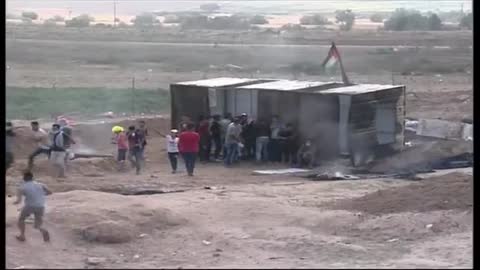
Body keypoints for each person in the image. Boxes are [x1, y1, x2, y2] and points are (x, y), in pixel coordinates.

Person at [13, 171, 51, 242]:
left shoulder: (22, 187)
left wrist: (13, 203)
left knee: (21, 219)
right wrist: (40, 196)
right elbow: (50, 192)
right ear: (32, 177)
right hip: (41, 206)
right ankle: (44, 231)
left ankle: (22, 236)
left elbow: (18, 201)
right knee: (37, 225)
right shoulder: (41, 184)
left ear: (24, 178)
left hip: (29, 206)